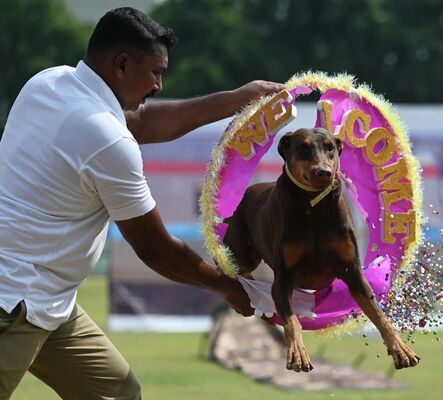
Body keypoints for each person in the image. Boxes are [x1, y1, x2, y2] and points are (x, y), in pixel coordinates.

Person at [0, 7, 283, 399]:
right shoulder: (107, 139)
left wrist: (237, 99)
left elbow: (145, 122)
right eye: (156, 72)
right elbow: (156, 249)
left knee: (117, 393)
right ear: (121, 65)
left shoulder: (47, 82)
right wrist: (230, 288)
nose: (160, 85)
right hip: (13, 301)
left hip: (51, 299)